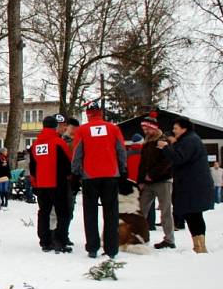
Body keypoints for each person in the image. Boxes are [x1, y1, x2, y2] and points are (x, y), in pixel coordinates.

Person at [71, 100, 126, 259]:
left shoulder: (82, 130)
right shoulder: (113, 128)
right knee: (111, 212)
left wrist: (75, 173)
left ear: (87, 114)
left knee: (90, 212)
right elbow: (121, 150)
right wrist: (122, 170)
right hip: (111, 175)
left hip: (90, 176)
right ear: (101, 112)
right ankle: (111, 248)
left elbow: (77, 154)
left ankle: (92, 247)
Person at [157, 117, 214, 253]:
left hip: (193, 185)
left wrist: (166, 147)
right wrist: (172, 144)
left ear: (184, 128)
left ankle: (200, 247)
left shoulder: (190, 140)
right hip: (191, 184)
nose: (173, 130)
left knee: (194, 215)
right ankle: (198, 245)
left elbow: (179, 158)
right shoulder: (189, 140)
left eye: (176, 128)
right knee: (192, 214)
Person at [30, 116, 73, 252]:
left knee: (44, 212)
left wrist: (35, 184)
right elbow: (68, 162)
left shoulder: (35, 144)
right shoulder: (58, 142)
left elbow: (32, 167)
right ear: (55, 127)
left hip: (41, 184)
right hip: (57, 183)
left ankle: (45, 241)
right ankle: (60, 240)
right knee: (63, 212)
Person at [137, 114, 174, 249]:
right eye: (144, 128)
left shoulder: (163, 140)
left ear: (154, 128)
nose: (145, 131)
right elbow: (142, 163)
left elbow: (167, 162)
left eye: (148, 128)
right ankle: (139, 237)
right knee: (141, 210)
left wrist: (152, 175)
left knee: (165, 211)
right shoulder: (146, 142)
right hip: (147, 183)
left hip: (163, 181)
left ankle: (169, 239)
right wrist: (140, 180)